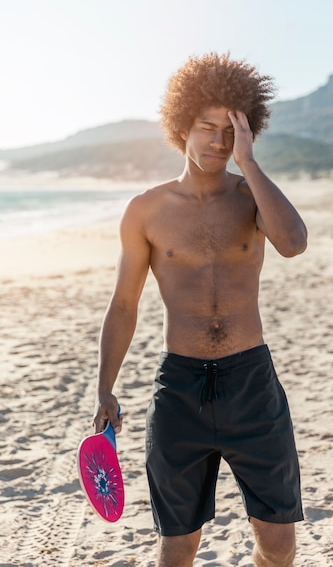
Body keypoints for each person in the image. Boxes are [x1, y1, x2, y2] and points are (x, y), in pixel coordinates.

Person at [94, 52, 307, 567]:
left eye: (231, 132)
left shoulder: (251, 195)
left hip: (251, 381)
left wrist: (250, 164)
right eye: (206, 127)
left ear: (247, 134)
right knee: (178, 545)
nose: (218, 142)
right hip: (181, 389)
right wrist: (104, 385)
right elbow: (124, 303)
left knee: (278, 545)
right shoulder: (146, 209)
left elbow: (294, 242)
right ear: (180, 127)